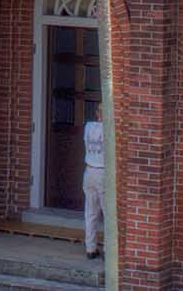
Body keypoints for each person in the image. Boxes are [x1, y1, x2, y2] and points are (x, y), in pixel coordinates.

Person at [81, 104, 105, 260]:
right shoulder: (108, 130)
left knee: (90, 212)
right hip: (103, 172)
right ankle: (108, 250)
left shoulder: (88, 127)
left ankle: (90, 248)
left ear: (97, 113)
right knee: (108, 212)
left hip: (89, 171)